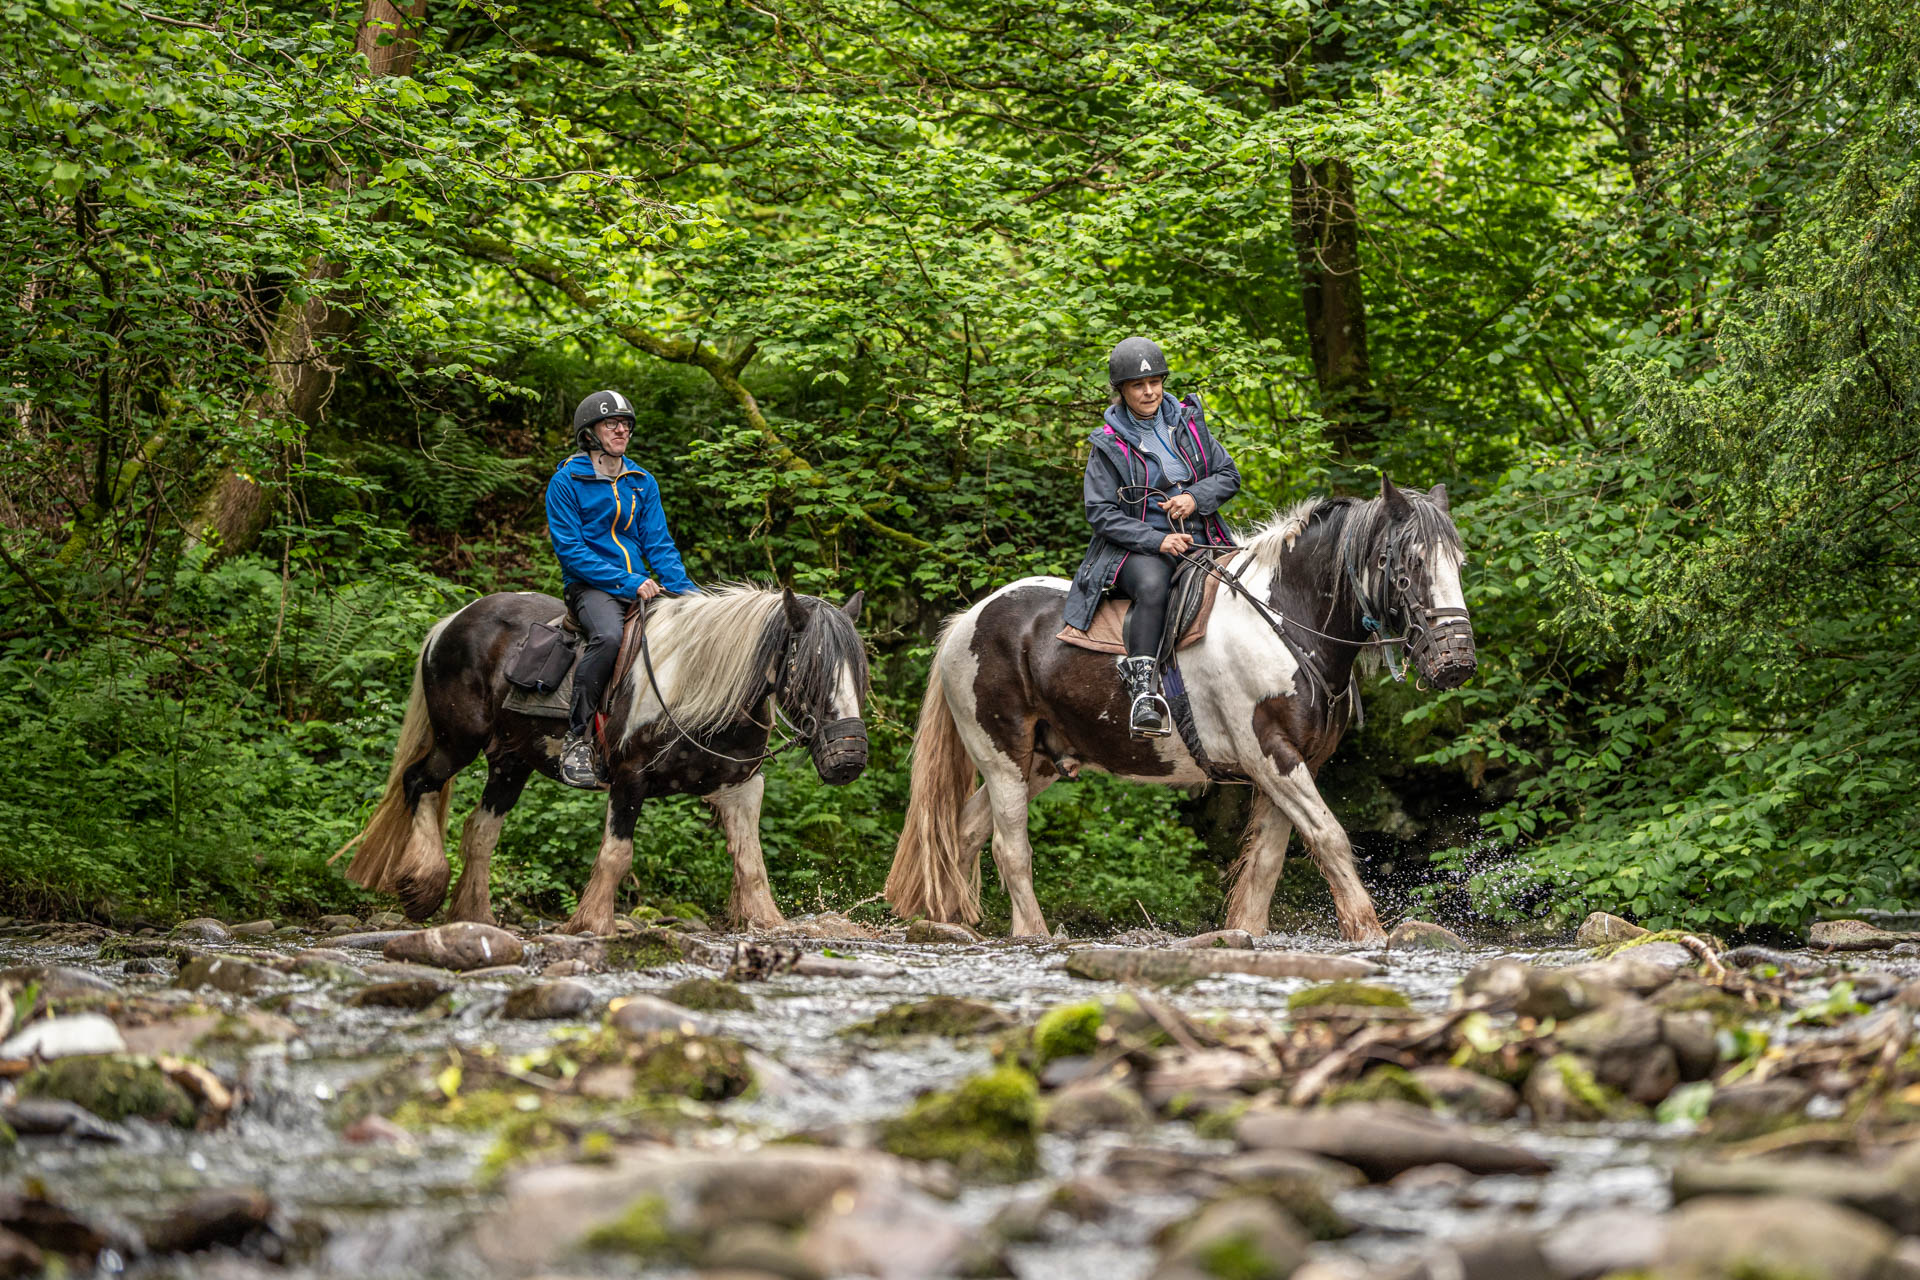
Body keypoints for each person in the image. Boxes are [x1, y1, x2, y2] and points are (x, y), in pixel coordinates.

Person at [1062, 338, 1241, 738]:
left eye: (1155, 382)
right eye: (1138, 385)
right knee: (1154, 582)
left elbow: (1228, 475)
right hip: (1132, 549)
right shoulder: (1107, 443)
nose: (1149, 392)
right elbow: (1101, 513)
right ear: (1122, 391)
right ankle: (1143, 690)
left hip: (1203, 537)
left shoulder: (1191, 424)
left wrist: (1194, 497)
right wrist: (1157, 541)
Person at [545, 389, 701, 787]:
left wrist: (688, 596)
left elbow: (659, 545)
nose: (622, 430)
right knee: (610, 637)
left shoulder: (641, 481)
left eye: (626, 424)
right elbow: (570, 551)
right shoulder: (566, 482)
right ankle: (577, 741)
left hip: (641, 586)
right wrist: (629, 581)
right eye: (612, 423)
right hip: (591, 586)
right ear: (590, 433)